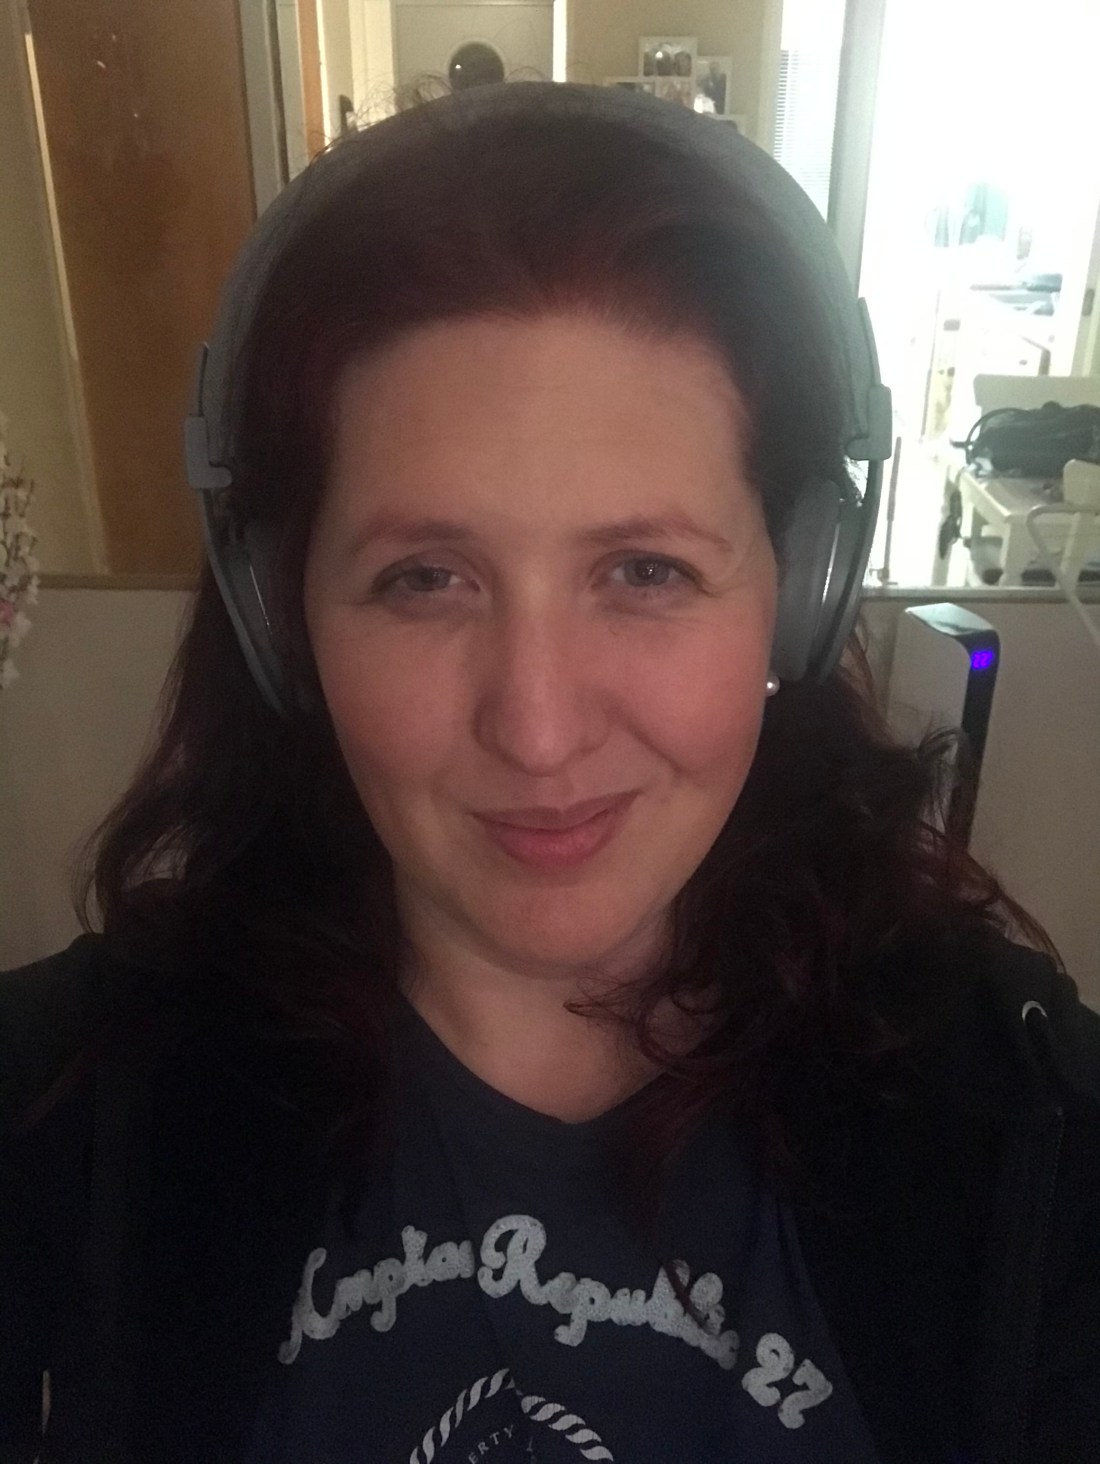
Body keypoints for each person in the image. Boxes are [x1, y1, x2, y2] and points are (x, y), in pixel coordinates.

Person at [1, 82, 1098, 1464]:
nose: (536, 728)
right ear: (284, 622)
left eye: (645, 571)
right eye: (426, 578)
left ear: (802, 594)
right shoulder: (69, 1105)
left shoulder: (1031, 1136)